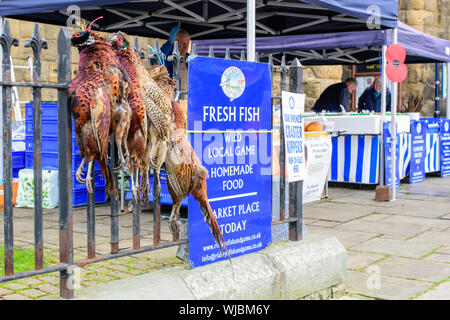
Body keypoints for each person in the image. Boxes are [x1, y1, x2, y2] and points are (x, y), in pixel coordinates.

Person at [160, 25, 190, 97]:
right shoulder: (168, 57)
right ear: (175, 43)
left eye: (187, 43)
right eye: (183, 43)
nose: (186, 47)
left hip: (187, 99)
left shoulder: (190, 58)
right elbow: (158, 58)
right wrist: (169, 42)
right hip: (171, 97)